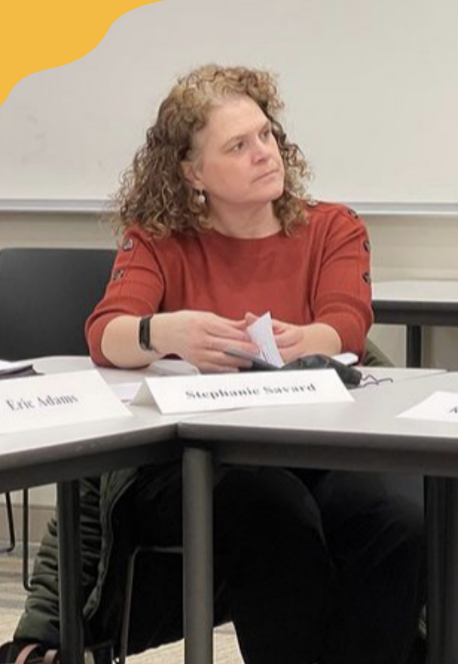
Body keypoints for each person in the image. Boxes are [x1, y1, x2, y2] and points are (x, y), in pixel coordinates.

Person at [3, 65, 426, 664]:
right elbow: (106, 333)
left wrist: (301, 340)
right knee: (272, 511)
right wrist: (165, 331)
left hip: (317, 451)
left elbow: (347, 325)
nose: (265, 153)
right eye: (238, 145)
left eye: (266, 135)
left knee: (399, 518)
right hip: (193, 462)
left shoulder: (332, 226)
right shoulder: (158, 238)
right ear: (193, 172)